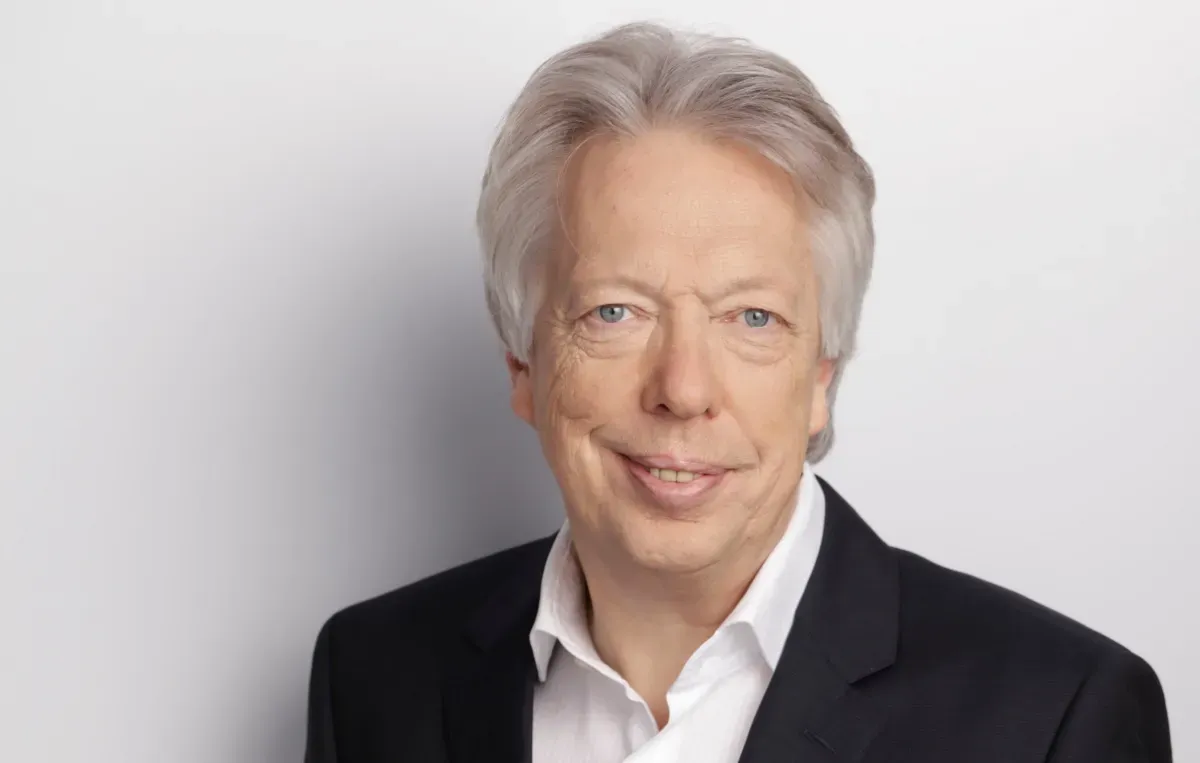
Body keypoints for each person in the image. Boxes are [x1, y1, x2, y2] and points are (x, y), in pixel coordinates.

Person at [303, 21, 1172, 763]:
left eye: (752, 317)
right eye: (615, 311)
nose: (683, 389)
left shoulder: (1058, 717)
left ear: (822, 374)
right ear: (522, 364)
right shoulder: (374, 677)